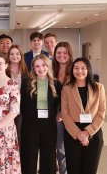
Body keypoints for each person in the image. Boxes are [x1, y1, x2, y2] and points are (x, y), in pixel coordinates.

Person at [61, 57, 106, 174]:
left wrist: (87, 133)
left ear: (88, 70)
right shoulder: (66, 89)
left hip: (93, 133)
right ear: (72, 70)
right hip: (72, 133)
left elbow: (101, 112)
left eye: (83, 68)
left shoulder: (99, 88)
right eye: (76, 68)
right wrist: (78, 134)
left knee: (90, 170)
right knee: (73, 169)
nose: (79, 71)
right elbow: (65, 114)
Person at [20, 54, 62, 174]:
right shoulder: (26, 83)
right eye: (37, 66)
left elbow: (63, 105)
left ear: (48, 66)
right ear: (33, 68)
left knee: (48, 158)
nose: (41, 68)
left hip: (49, 126)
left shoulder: (57, 84)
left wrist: (60, 114)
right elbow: (22, 105)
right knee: (29, 157)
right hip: (30, 125)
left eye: (44, 65)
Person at [52, 42, 74, 174]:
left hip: (70, 115)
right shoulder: (51, 70)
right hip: (54, 115)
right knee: (59, 148)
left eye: (64, 53)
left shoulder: (75, 71)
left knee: (69, 148)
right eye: (58, 53)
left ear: (69, 54)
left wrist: (63, 113)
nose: (61, 55)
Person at [6, 44, 29, 147]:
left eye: (17, 53)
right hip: (6, 108)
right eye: (12, 54)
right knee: (7, 135)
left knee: (19, 135)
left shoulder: (25, 71)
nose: (14, 56)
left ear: (21, 55)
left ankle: (18, 159)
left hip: (21, 109)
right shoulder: (4, 70)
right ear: (8, 56)